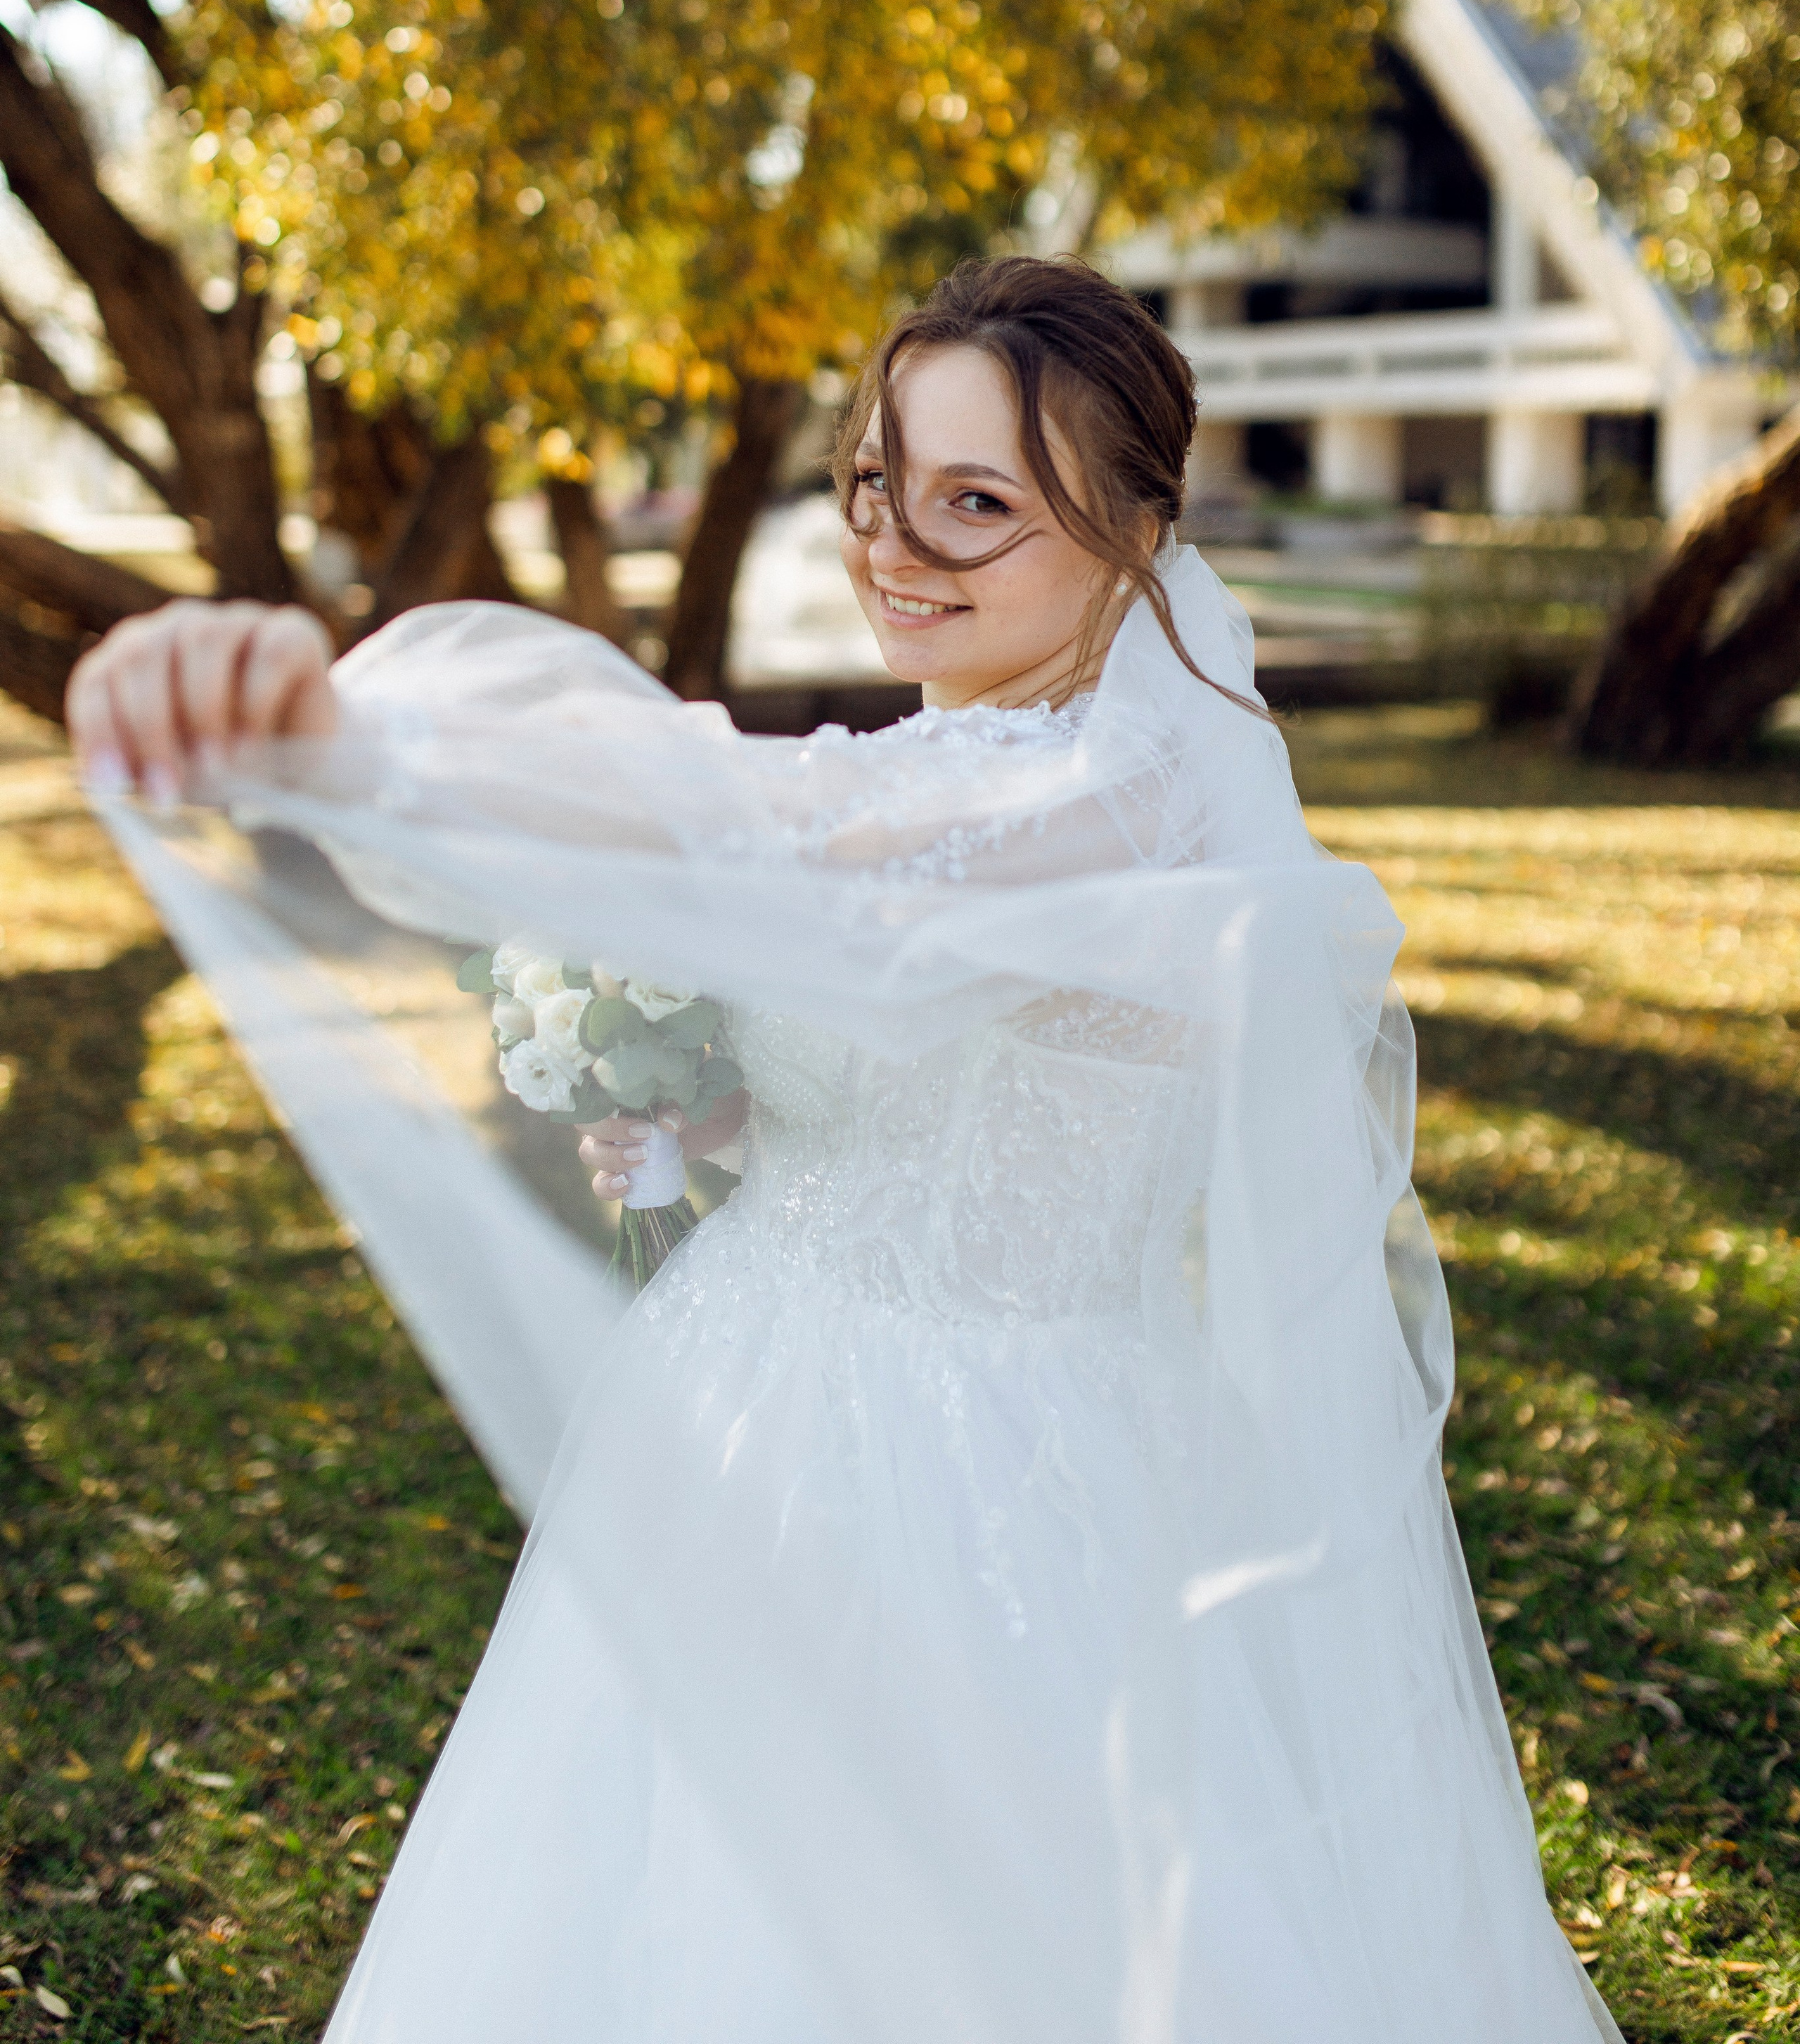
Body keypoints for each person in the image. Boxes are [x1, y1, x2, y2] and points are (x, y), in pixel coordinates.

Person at [67, 257, 1621, 2043]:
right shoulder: (999, 735)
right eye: (879, 483)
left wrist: (344, 736)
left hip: (985, 1486)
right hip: (742, 1410)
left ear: (1133, 523)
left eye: (978, 504)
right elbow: (934, 1026)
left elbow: (768, 821)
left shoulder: (1129, 792)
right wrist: (726, 1116)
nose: (897, 548)